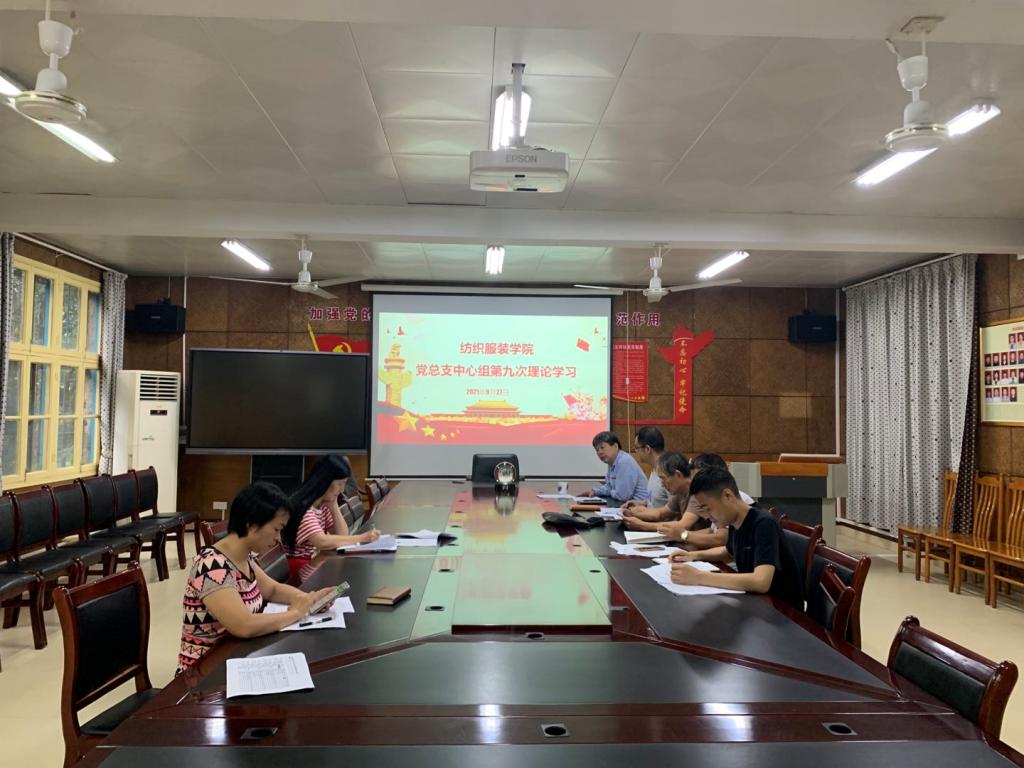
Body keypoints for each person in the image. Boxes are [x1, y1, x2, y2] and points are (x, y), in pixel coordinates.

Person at [178, 482, 339, 673]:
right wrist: (296, 613)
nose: (278, 538)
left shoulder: (244, 557)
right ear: (252, 525)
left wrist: (308, 599)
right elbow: (243, 625)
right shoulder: (211, 566)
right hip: (205, 673)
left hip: (238, 657)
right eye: (277, 529)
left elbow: (273, 589)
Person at [669, 467, 803, 608]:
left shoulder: (763, 523)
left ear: (727, 496)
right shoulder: (735, 521)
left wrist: (699, 577)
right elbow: (728, 552)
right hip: (756, 602)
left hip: (781, 610)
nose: (707, 516)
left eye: (708, 508)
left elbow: (761, 581)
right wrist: (693, 555)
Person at [282, 454, 380, 579]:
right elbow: (322, 542)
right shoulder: (304, 508)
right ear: (325, 481)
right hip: (299, 573)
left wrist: (334, 506)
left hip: (313, 563)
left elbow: (343, 536)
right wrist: (362, 538)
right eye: (339, 484)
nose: (342, 489)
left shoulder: (323, 505)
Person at [578, 431, 650, 504]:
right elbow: (609, 486)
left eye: (602, 447)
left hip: (640, 507)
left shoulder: (624, 462)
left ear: (615, 446)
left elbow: (622, 495)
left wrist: (609, 491)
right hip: (627, 505)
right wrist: (595, 491)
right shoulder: (612, 462)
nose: (599, 452)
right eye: (597, 450)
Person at [632, 426, 670, 507]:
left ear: (647, 449)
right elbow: (655, 500)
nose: (636, 451)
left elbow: (675, 509)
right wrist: (640, 503)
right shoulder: (654, 469)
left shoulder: (668, 472)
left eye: (637, 448)